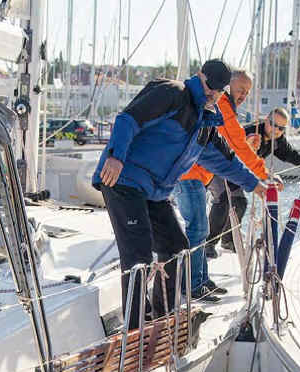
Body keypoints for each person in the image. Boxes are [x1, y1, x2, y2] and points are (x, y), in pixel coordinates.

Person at [93, 59, 268, 329]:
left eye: (219, 91)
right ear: (199, 76)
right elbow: (128, 119)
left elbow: (227, 161)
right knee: (138, 256)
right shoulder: (171, 93)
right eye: (210, 87)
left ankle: (162, 319)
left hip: (154, 193)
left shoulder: (206, 124)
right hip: (122, 180)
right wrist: (115, 157)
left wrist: (256, 184)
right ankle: (136, 327)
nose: (213, 94)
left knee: (176, 247)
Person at [174, 69, 270, 303]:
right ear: (227, 88)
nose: (244, 96)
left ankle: (202, 279)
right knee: (197, 229)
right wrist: (262, 176)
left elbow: (229, 146)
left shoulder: (225, 108)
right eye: (240, 90)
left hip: (196, 176)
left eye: (247, 92)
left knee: (201, 229)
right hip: (189, 175)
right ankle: (193, 284)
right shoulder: (223, 108)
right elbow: (236, 147)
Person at [206, 107, 300, 256]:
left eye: (281, 128)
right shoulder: (251, 132)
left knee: (240, 202)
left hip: (238, 173)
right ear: (266, 121)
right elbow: (233, 152)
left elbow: (292, 156)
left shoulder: (278, 141)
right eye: (273, 124)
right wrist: (250, 148)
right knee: (223, 199)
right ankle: (208, 244)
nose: (276, 130)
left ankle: (228, 241)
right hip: (220, 165)